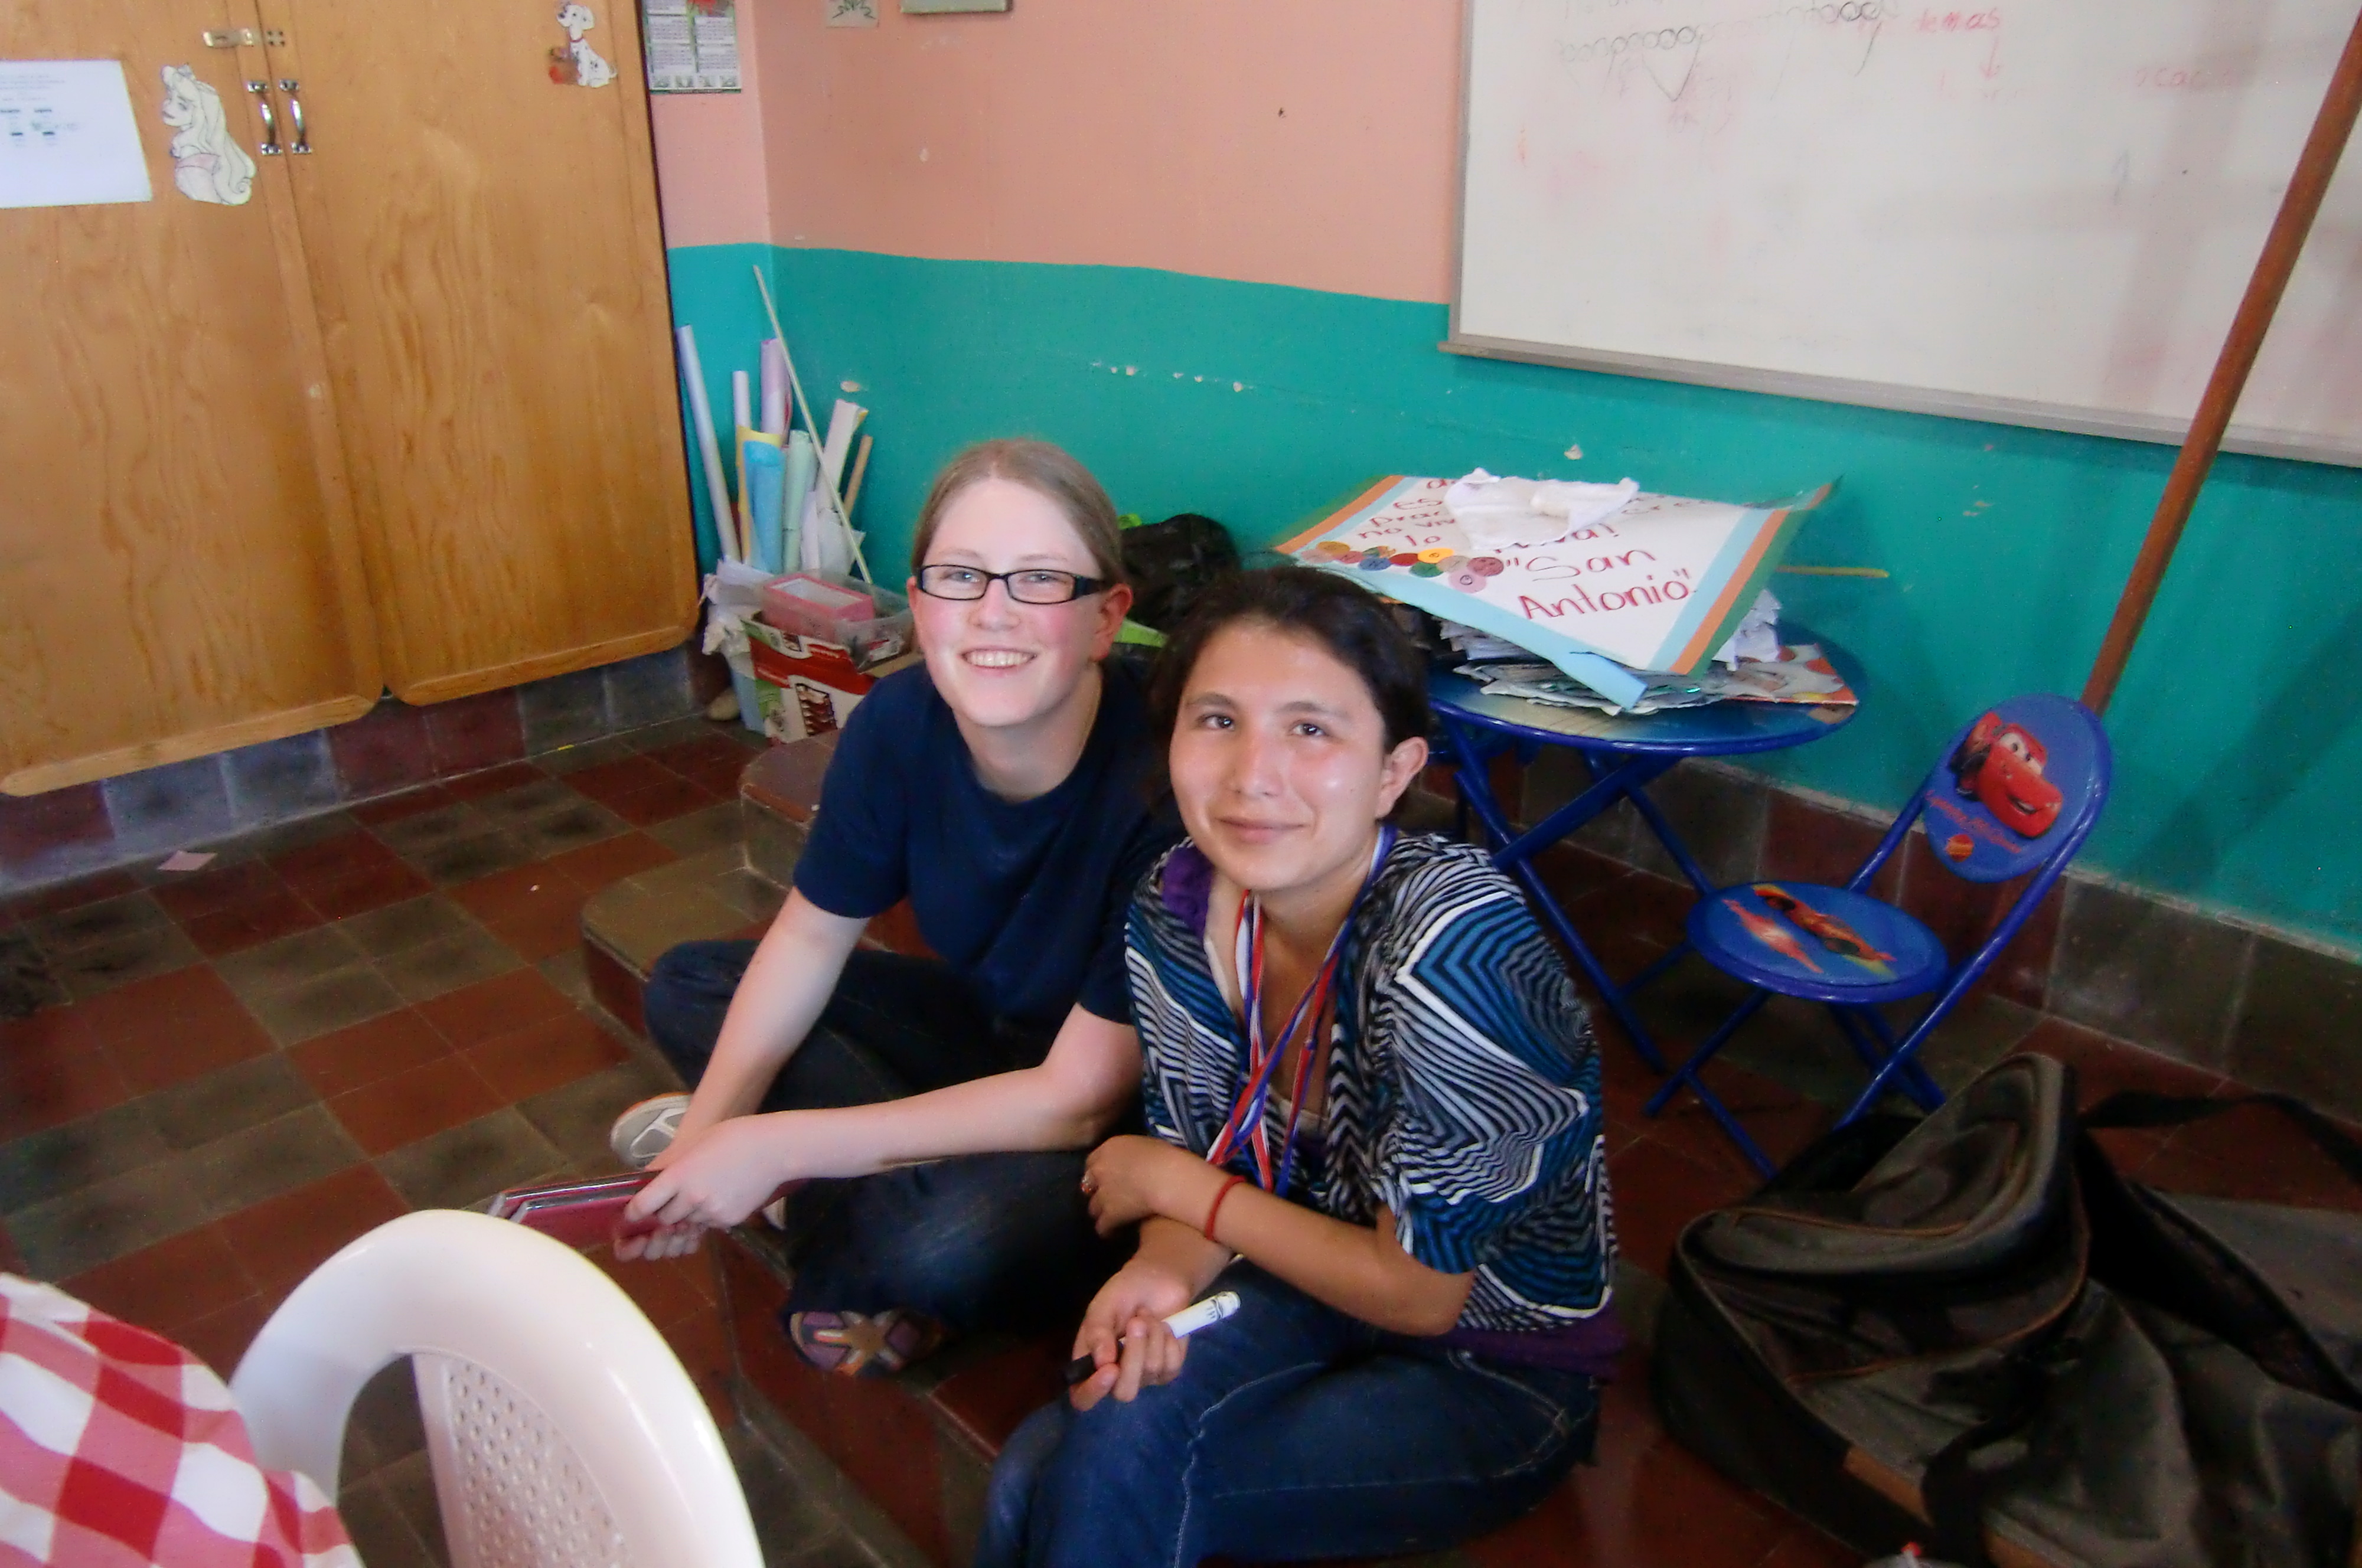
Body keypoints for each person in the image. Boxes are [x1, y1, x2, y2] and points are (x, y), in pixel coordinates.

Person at [976, 567, 1620, 1567]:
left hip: (1485, 1357)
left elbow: (1419, 1292)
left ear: (1394, 772)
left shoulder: (1457, 955)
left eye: (1312, 730)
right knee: (1042, 1467)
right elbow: (1202, 1148)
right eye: (1217, 720)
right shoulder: (1176, 903)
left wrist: (1182, 1193)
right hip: (1298, 1271)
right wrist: (1164, 1264)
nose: (1252, 775)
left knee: (1084, 1474)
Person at [614, 439, 1180, 1376]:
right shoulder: (898, 724)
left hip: (1110, 1119)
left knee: (943, 1239)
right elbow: (808, 938)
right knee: (690, 983)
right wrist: (711, 1134)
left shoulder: (1164, 781)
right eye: (960, 577)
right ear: (918, 605)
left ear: (1105, 617)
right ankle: (854, 1201)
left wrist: (777, 1143)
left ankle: (839, 1209)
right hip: (987, 1034)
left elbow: (1080, 1100)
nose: (994, 611)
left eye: (1041, 579)